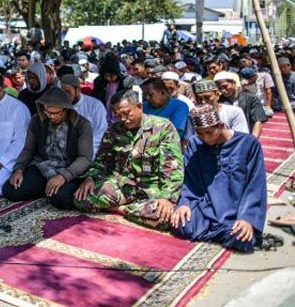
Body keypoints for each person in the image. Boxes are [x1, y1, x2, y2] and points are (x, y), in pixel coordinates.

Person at [73, 90, 183, 230]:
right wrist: (91, 177)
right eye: (118, 115)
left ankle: (119, 209)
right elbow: (102, 162)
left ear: (139, 106)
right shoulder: (113, 130)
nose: (123, 119)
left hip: (150, 189)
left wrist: (167, 198)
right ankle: (129, 210)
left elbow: (172, 168)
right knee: (81, 198)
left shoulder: (163, 128)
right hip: (121, 186)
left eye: (127, 113)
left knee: (164, 217)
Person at [172, 105, 266, 252]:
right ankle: (218, 233)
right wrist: (185, 203)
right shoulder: (196, 143)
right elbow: (190, 180)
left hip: (236, 212)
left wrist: (247, 218)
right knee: (182, 224)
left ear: (221, 125)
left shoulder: (248, 144)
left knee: (242, 236)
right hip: (206, 208)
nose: (205, 138)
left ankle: (223, 232)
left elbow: (255, 185)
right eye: (200, 133)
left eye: (209, 132)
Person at [3, 87, 93, 208]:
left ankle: (51, 190)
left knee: (60, 199)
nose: (52, 116)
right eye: (48, 112)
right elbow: (29, 149)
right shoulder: (37, 120)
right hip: (43, 166)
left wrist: (63, 176)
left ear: (66, 110)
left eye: (57, 113)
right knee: (11, 190)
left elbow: (85, 158)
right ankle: (46, 188)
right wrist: (19, 169)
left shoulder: (82, 125)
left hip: (69, 169)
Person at [59, 74, 107, 157]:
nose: (64, 95)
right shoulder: (59, 106)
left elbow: (99, 134)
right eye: (62, 92)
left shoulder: (95, 106)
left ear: (77, 90)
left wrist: (86, 155)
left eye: (68, 92)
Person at [215, 71, 266, 138]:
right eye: (220, 88)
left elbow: (258, 121)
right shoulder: (218, 101)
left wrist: (252, 141)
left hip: (245, 137)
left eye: (225, 86)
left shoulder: (251, 98)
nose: (223, 90)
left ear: (234, 83)